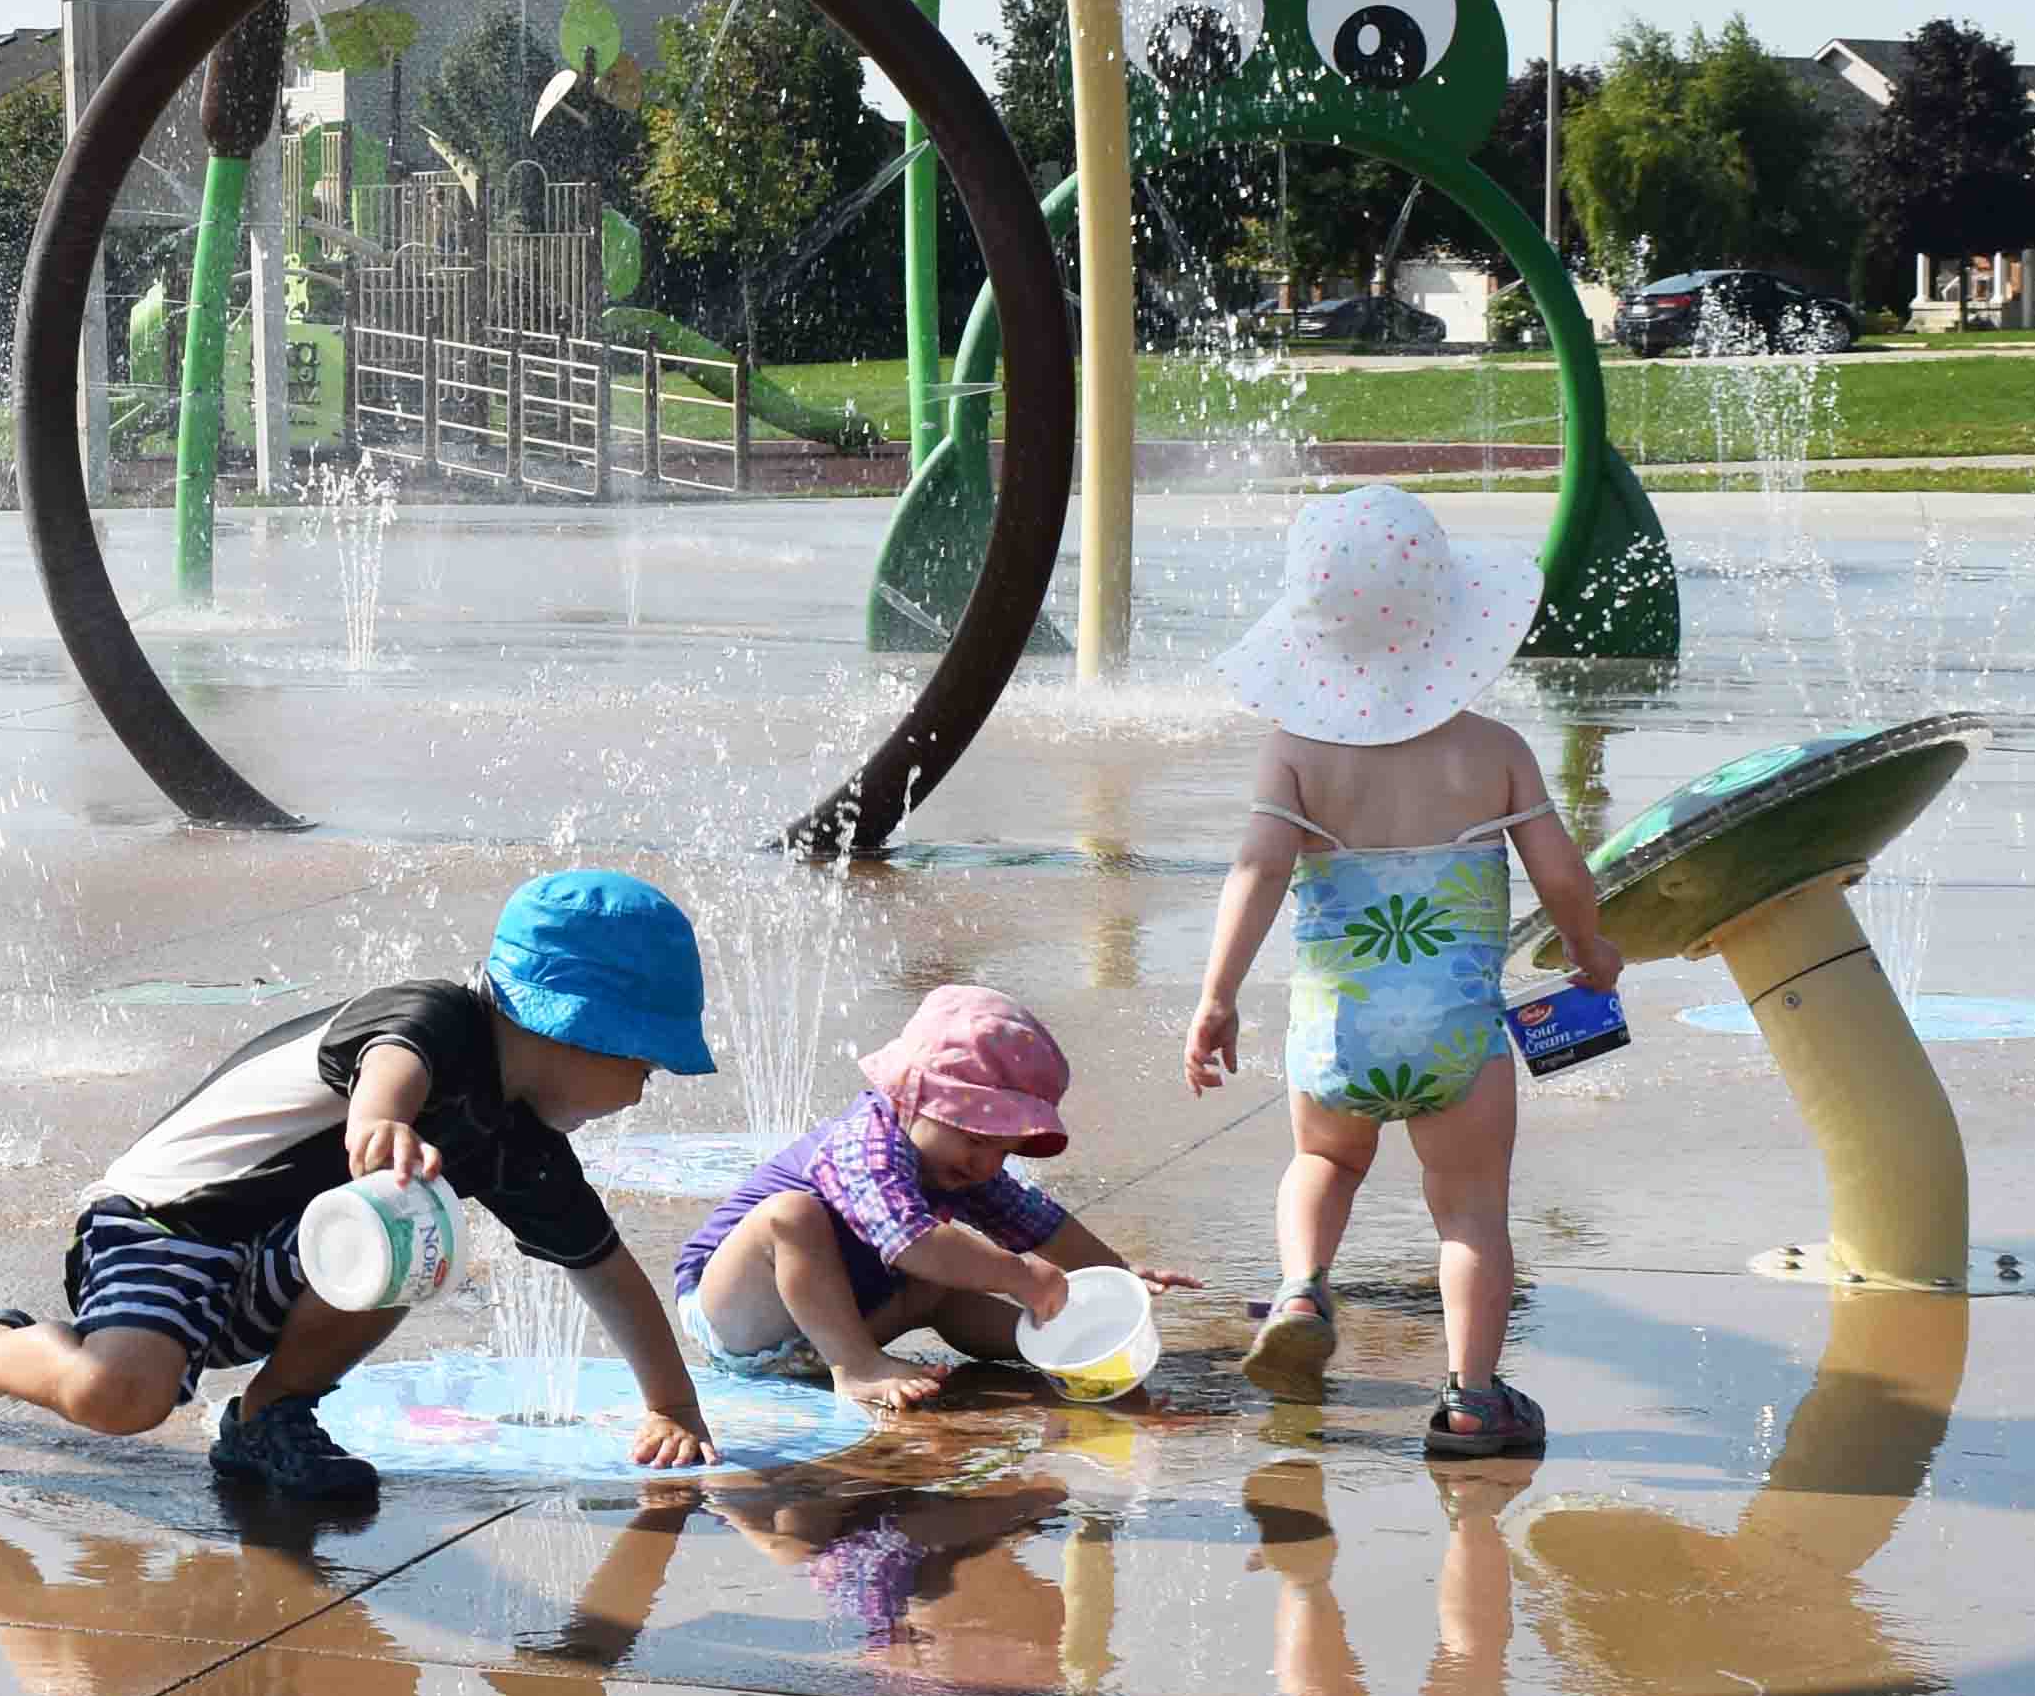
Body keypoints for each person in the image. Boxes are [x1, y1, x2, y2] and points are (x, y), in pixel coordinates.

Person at [0, 869, 725, 1500]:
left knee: (406, 1237)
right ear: (577, 1033)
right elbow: (393, 1056)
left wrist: (673, 1407)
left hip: (283, 1264)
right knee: (121, 1399)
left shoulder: (518, 1144)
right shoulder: (439, 1016)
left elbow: (603, 1268)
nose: (645, 1086)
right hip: (166, 1227)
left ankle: (269, 1415)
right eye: (644, 1061)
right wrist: (382, 1116)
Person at [1184, 484, 1622, 1452]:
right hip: (1456, 1030)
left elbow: (1257, 870)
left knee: (1322, 1159)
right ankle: (1471, 1399)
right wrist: (1589, 954)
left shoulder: (1294, 752)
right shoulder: (1492, 750)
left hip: (1333, 1026)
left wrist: (1215, 997)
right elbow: (1558, 871)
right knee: (1469, 1215)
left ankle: (1300, 1292)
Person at [673, 984, 1195, 1412]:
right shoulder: (866, 1145)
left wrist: (1116, 1277)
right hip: (738, 1314)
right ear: (910, 1098)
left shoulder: (959, 1165)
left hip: (837, 1322)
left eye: (1004, 1150)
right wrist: (1020, 1275)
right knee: (790, 1216)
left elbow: (1041, 1224)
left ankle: (1063, 1350)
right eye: (974, 1140)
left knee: (940, 1288)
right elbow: (911, 1242)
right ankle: (856, 1368)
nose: (986, 1163)